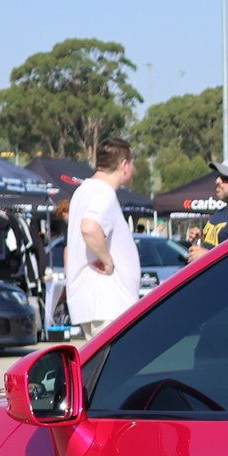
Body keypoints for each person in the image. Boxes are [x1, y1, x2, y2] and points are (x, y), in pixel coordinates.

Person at [64, 138, 142, 340]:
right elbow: (89, 227)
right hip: (109, 304)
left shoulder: (82, 191)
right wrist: (108, 261)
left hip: (95, 303)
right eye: (132, 163)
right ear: (124, 164)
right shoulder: (103, 192)